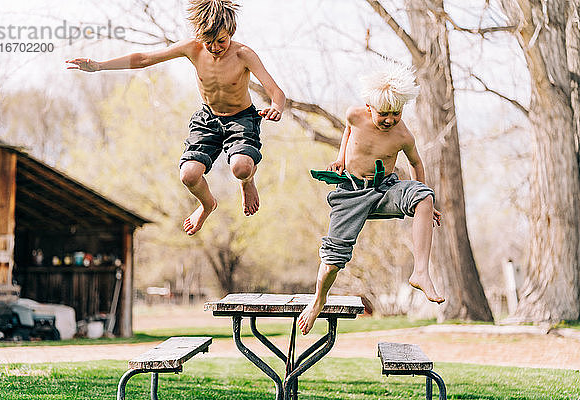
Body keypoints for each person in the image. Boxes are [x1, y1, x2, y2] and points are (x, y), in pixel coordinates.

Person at [66, 0, 285, 235]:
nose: (215, 47)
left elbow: (277, 92)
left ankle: (246, 182)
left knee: (241, 168)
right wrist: (100, 66)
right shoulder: (193, 48)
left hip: (241, 119)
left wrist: (276, 107)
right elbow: (144, 59)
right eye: (208, 42)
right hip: (208, 119)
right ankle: (207, 204)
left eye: (221, 41)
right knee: (188, 175)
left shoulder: (244, 54)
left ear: (231, 32)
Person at [297, 61, 444, 335]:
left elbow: (417, 165)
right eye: (383, 114)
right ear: (369, 108)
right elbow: (349, 131)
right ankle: (319, 299)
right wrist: (341, 158)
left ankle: (421, 272)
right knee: (332, 260)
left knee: (425, 196)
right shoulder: (354, 115)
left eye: (396, 113)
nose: (390, 120)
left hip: (383, 190)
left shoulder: (403, 135)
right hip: (351, 193)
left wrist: (423, 200)